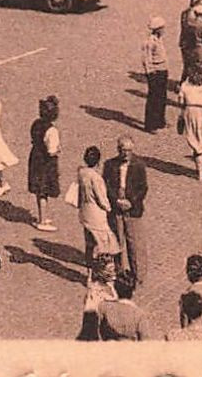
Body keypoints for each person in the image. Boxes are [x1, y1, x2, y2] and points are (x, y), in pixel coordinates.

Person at [103, 135, 150, 286]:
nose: (126, 154)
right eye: (124, 150)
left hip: (132, 210)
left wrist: (131, 202)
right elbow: (107, 186)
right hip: (116, 208)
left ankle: (138, 275)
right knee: (117, 242)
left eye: (129, 150)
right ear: (118, 150)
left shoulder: (139, 165)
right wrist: (116, 201)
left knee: (134, 243)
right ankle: (118, 272)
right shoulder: (110, 165)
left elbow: (143, 188)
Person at [74, 145, 119, 273]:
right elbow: (102, 199)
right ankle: (101, 271)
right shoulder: (96, 178)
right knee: (104, 244)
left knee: (89, 242)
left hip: (85, 211)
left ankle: (89, 268)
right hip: (96, 214)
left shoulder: (81, 173)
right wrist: (110, 208)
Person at [27, 96, 61, 231]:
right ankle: (42, 220)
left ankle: (43, 215)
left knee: (39, 189)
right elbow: (52, 151)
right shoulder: (52, 130)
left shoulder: (36, 124)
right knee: (43, 190)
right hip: (46, 162)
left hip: (35, 157)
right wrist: (58, 149)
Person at [97, 272, 153, 340]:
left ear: (115, 291)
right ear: (133, 292)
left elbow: (94, 331)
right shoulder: (139, 314)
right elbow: (145, 340)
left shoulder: (103, 307)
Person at [141, 16, 170, 133]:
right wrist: (150, 72)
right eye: (162, 28)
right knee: (154, 99)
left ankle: (160, 122)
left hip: (162, 70)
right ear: (157, 29)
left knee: (162, 97)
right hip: (155, 72)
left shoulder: (159, 39)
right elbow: (146, 59)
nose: (164, 30)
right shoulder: (150, 42)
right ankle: (151, 125)